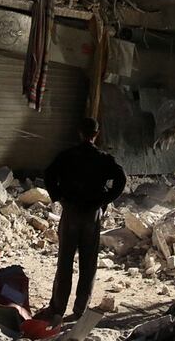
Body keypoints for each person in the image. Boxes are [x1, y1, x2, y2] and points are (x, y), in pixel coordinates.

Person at [38, 118, 126, 325]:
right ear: (96, 134)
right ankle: (79, 309)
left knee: (65, 261)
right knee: (88, 263)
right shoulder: (103, 158)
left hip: (71, 212)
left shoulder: (67, 156)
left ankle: (58, 307)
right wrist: (105, 200)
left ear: (79, 132)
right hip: (92, 214)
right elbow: (121, 179)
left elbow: (49, 174)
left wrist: (59, 196)